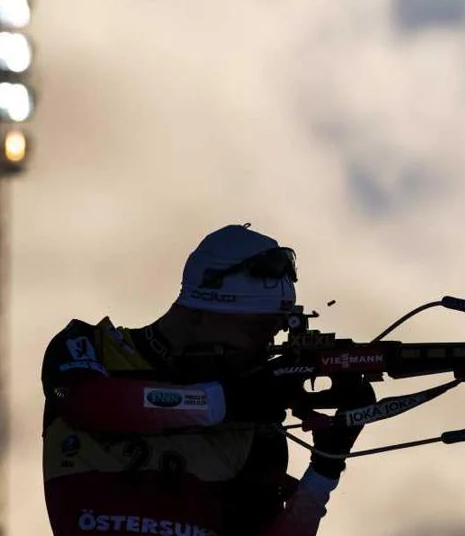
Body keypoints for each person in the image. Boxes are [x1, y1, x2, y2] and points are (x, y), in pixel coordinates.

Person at [41, 224, 375, 536]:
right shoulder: (91, 346)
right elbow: (83, 400)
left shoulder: (255, 426)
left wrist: (324, 470)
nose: (265, 347)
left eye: (277, 329)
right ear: (200, 311)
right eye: (257, 329)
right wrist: (225, 402)